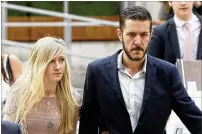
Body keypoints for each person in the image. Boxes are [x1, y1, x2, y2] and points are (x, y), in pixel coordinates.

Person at [79, 6, 202, 134]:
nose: (138, 41)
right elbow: (88, 123)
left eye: (144, 34)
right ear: (120, 35)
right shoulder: (97, 71)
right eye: (131, 34)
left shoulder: (167, 72)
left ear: (151, 35)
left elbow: (193, 118)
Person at [3, 37, 82, 134]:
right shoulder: (19, 93)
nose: (58, 67)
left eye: (61, 60)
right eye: (51, 61)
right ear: (39, 64)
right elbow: (6, 129)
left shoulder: (73, 99)